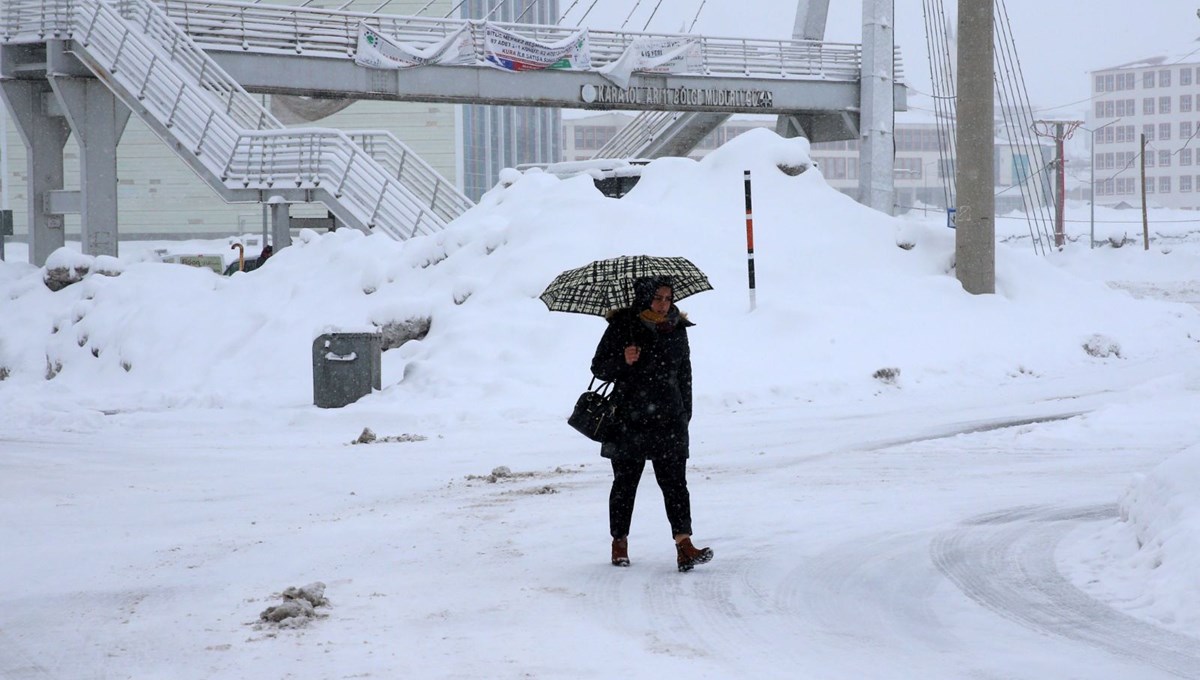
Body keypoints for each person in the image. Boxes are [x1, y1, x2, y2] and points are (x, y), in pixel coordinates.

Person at [590, 276, 713, 572]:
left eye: (668, 298)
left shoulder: (677, 328)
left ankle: (684, 545)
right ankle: (619, 542)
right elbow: (599, 368)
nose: (663, 304)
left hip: (669, 418)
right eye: (657, 298)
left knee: (675, 484)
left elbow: (685, 373)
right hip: (629, 418)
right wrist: (623, 359)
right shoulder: (622, 326)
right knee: (625, 483)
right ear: (645, 298)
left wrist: (686, 413)